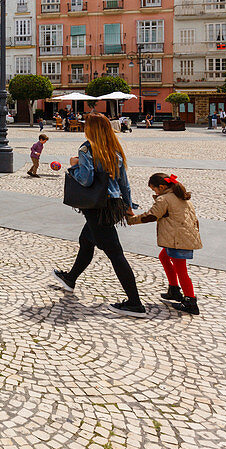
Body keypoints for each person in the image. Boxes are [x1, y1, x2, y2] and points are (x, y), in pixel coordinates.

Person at [52, 112, 146, 318]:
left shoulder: (87, 149)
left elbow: (85, 180)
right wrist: (128, 206)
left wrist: (74, 166)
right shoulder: (115, 150)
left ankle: (135, 303)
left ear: (91, 129)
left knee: (115, 253)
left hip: (96, 207)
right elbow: (124, 184)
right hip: (113, 204)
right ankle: (70, 278)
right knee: (86, 240)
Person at [128, 173, 203, 316]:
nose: (154, 192)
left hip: (178, 239)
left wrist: (131, 219)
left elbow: (151, 216)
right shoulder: (181, 196)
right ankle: (174, 290)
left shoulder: (164, 199)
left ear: (161, 187)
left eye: (154, 189)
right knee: (164, 257)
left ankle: (191, 301)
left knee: (181, 270)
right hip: (183, 236)